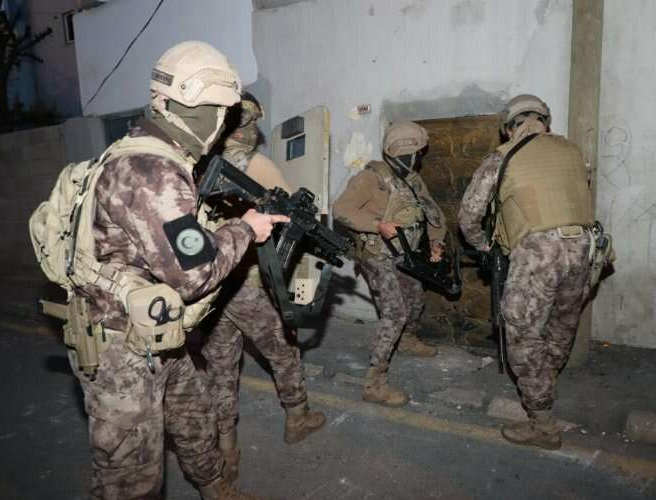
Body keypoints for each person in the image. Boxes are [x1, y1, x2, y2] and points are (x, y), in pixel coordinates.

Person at [71, 41, 285, 499]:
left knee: (194, 420)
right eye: (221, 112)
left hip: (157, 332)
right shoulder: (152, 170)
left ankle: (215, 487)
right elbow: (195, 275)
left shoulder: (144, 152)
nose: (223, 124)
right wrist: (245, 229)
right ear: (198, 107)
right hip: (120, 352)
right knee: (130, 477)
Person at [201, 95, 325, 481]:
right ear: (249, 126)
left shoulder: (199, 162)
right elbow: (290, 218)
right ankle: (297, 418)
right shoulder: (256, 163)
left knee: (221, 366)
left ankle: (226, 450)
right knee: (284, 351)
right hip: (245, 282)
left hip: (210, 283)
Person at [458, 94, 593, 450]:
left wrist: (483, 246)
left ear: (508, 129)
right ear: (545, 122)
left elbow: (469, 214)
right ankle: (546, 382)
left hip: (538, 253)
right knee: (562, 325)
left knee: (521, 334)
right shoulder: (574, 153)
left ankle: (543, 425)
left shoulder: (502, 157)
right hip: (584, 249)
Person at [333, 121, 446, 407]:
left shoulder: (413, 180)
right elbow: (341, 210)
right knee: (395, 313)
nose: (416, 158)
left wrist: (437, 242)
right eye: (415, 153)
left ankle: (407, 340)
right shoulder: (370, 178)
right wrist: (376, 225)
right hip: (376, 255)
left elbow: (432, 212)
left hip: (404, 253)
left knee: (415, 298)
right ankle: (374, 383)